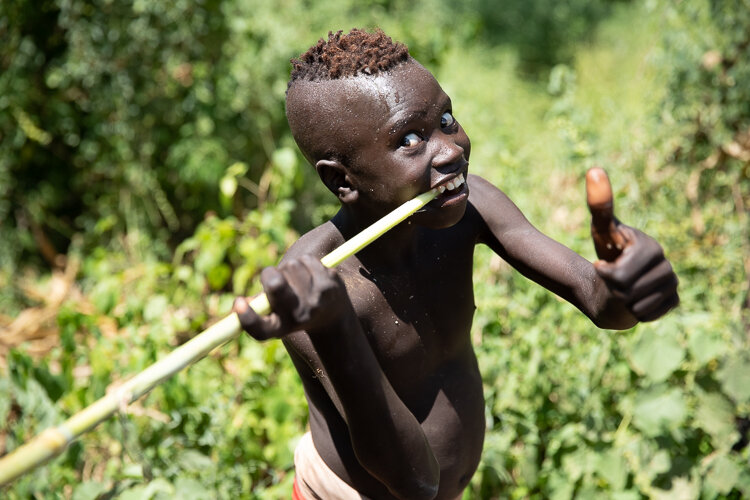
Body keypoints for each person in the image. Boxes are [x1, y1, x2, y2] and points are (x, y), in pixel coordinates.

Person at [232, 29, 679, 500]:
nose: (451, 149)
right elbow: (414, 482)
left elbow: (601, 304)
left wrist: (624, 283)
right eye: (409, 139)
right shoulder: (316, 290)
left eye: (446, 118)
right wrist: (335, 327)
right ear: (342, 181)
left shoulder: (468, 207)